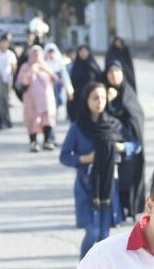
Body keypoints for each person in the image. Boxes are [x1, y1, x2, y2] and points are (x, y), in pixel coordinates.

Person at [60, 82, 142, 258]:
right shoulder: (78, 127)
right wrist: (84, 159)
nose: (99, 102)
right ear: (86, 100)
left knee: (104, 236)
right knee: (92, 232)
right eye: (95, 98)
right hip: (86, 185)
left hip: (109, 185)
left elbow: (136, 146)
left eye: (103, 98)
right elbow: (65, 156)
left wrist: (121, 147)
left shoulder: (113, 125)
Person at [105, 61, 146, 221]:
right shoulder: (103, 92)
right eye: (110, 72)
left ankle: (132, 209)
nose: (113, 75)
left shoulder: (128, 93)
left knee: (129, 177)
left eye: (117, 71)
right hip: (111, 143)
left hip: (129, 144)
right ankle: (118, 210)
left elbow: (136, 117)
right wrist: (107, 101)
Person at [17, 44, 58, 151]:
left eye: (38, 53)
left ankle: (47, 141)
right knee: (33, 120)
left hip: (46, 98)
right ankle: (33, 142)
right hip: (31, 99)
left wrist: (45, 70)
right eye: (34, 53)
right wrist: (31, 71)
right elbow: (22, 81)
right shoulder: (25, 66)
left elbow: (55, 79)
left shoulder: (46, 65)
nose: (36, 55)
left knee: (47, 119)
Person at [67, 43, 102, 123]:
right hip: (77, 97)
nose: (83, 53)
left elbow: (100, 80)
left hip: (91, 96)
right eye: (81, 51)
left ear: (89, 52)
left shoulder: (93, 65)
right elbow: (69, 82)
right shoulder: (75, 66)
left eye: (85, 51)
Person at [0, 33, 17, 131]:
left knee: (5, 102)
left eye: (5, 43)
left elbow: (14, 67)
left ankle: (7, 120)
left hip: (7, 81)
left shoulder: (10, 54)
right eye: (2, 43)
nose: (3, 45)